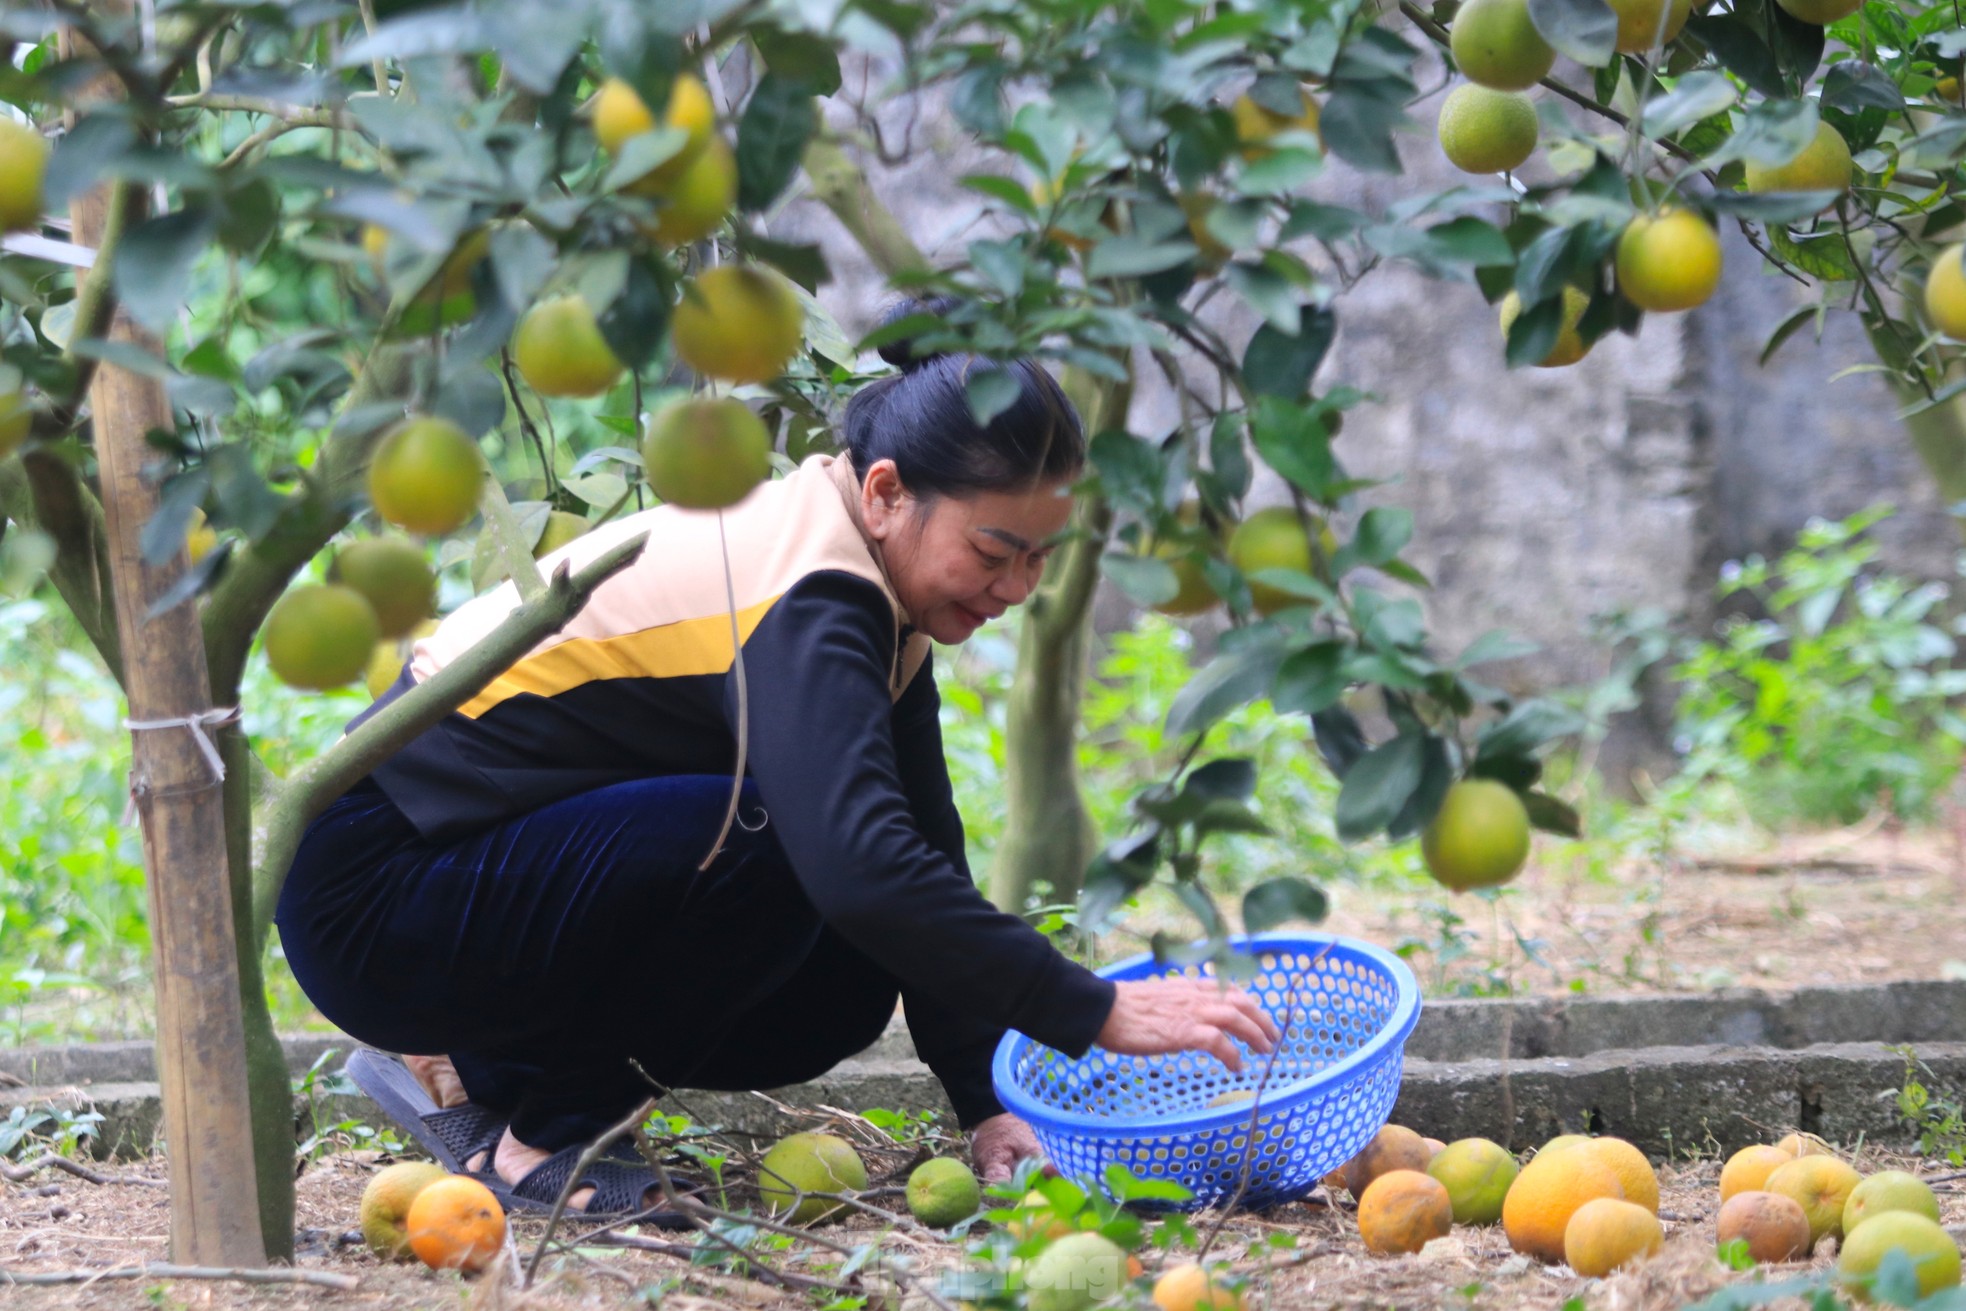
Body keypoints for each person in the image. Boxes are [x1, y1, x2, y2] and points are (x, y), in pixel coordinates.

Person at [276, 302, 1280, 1214]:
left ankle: (474, 1068)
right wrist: (1093, 1008)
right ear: (887, 492)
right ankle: (545, 1148)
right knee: (780, 846)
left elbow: (921, 847)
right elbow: (858, 864)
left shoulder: (874, 590)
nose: (1015, 586)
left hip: (484, 879)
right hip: (379, 893)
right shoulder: (811, 590)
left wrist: (987, 1103)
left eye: (1038, 558)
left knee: (832, 993)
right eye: (992, 550)